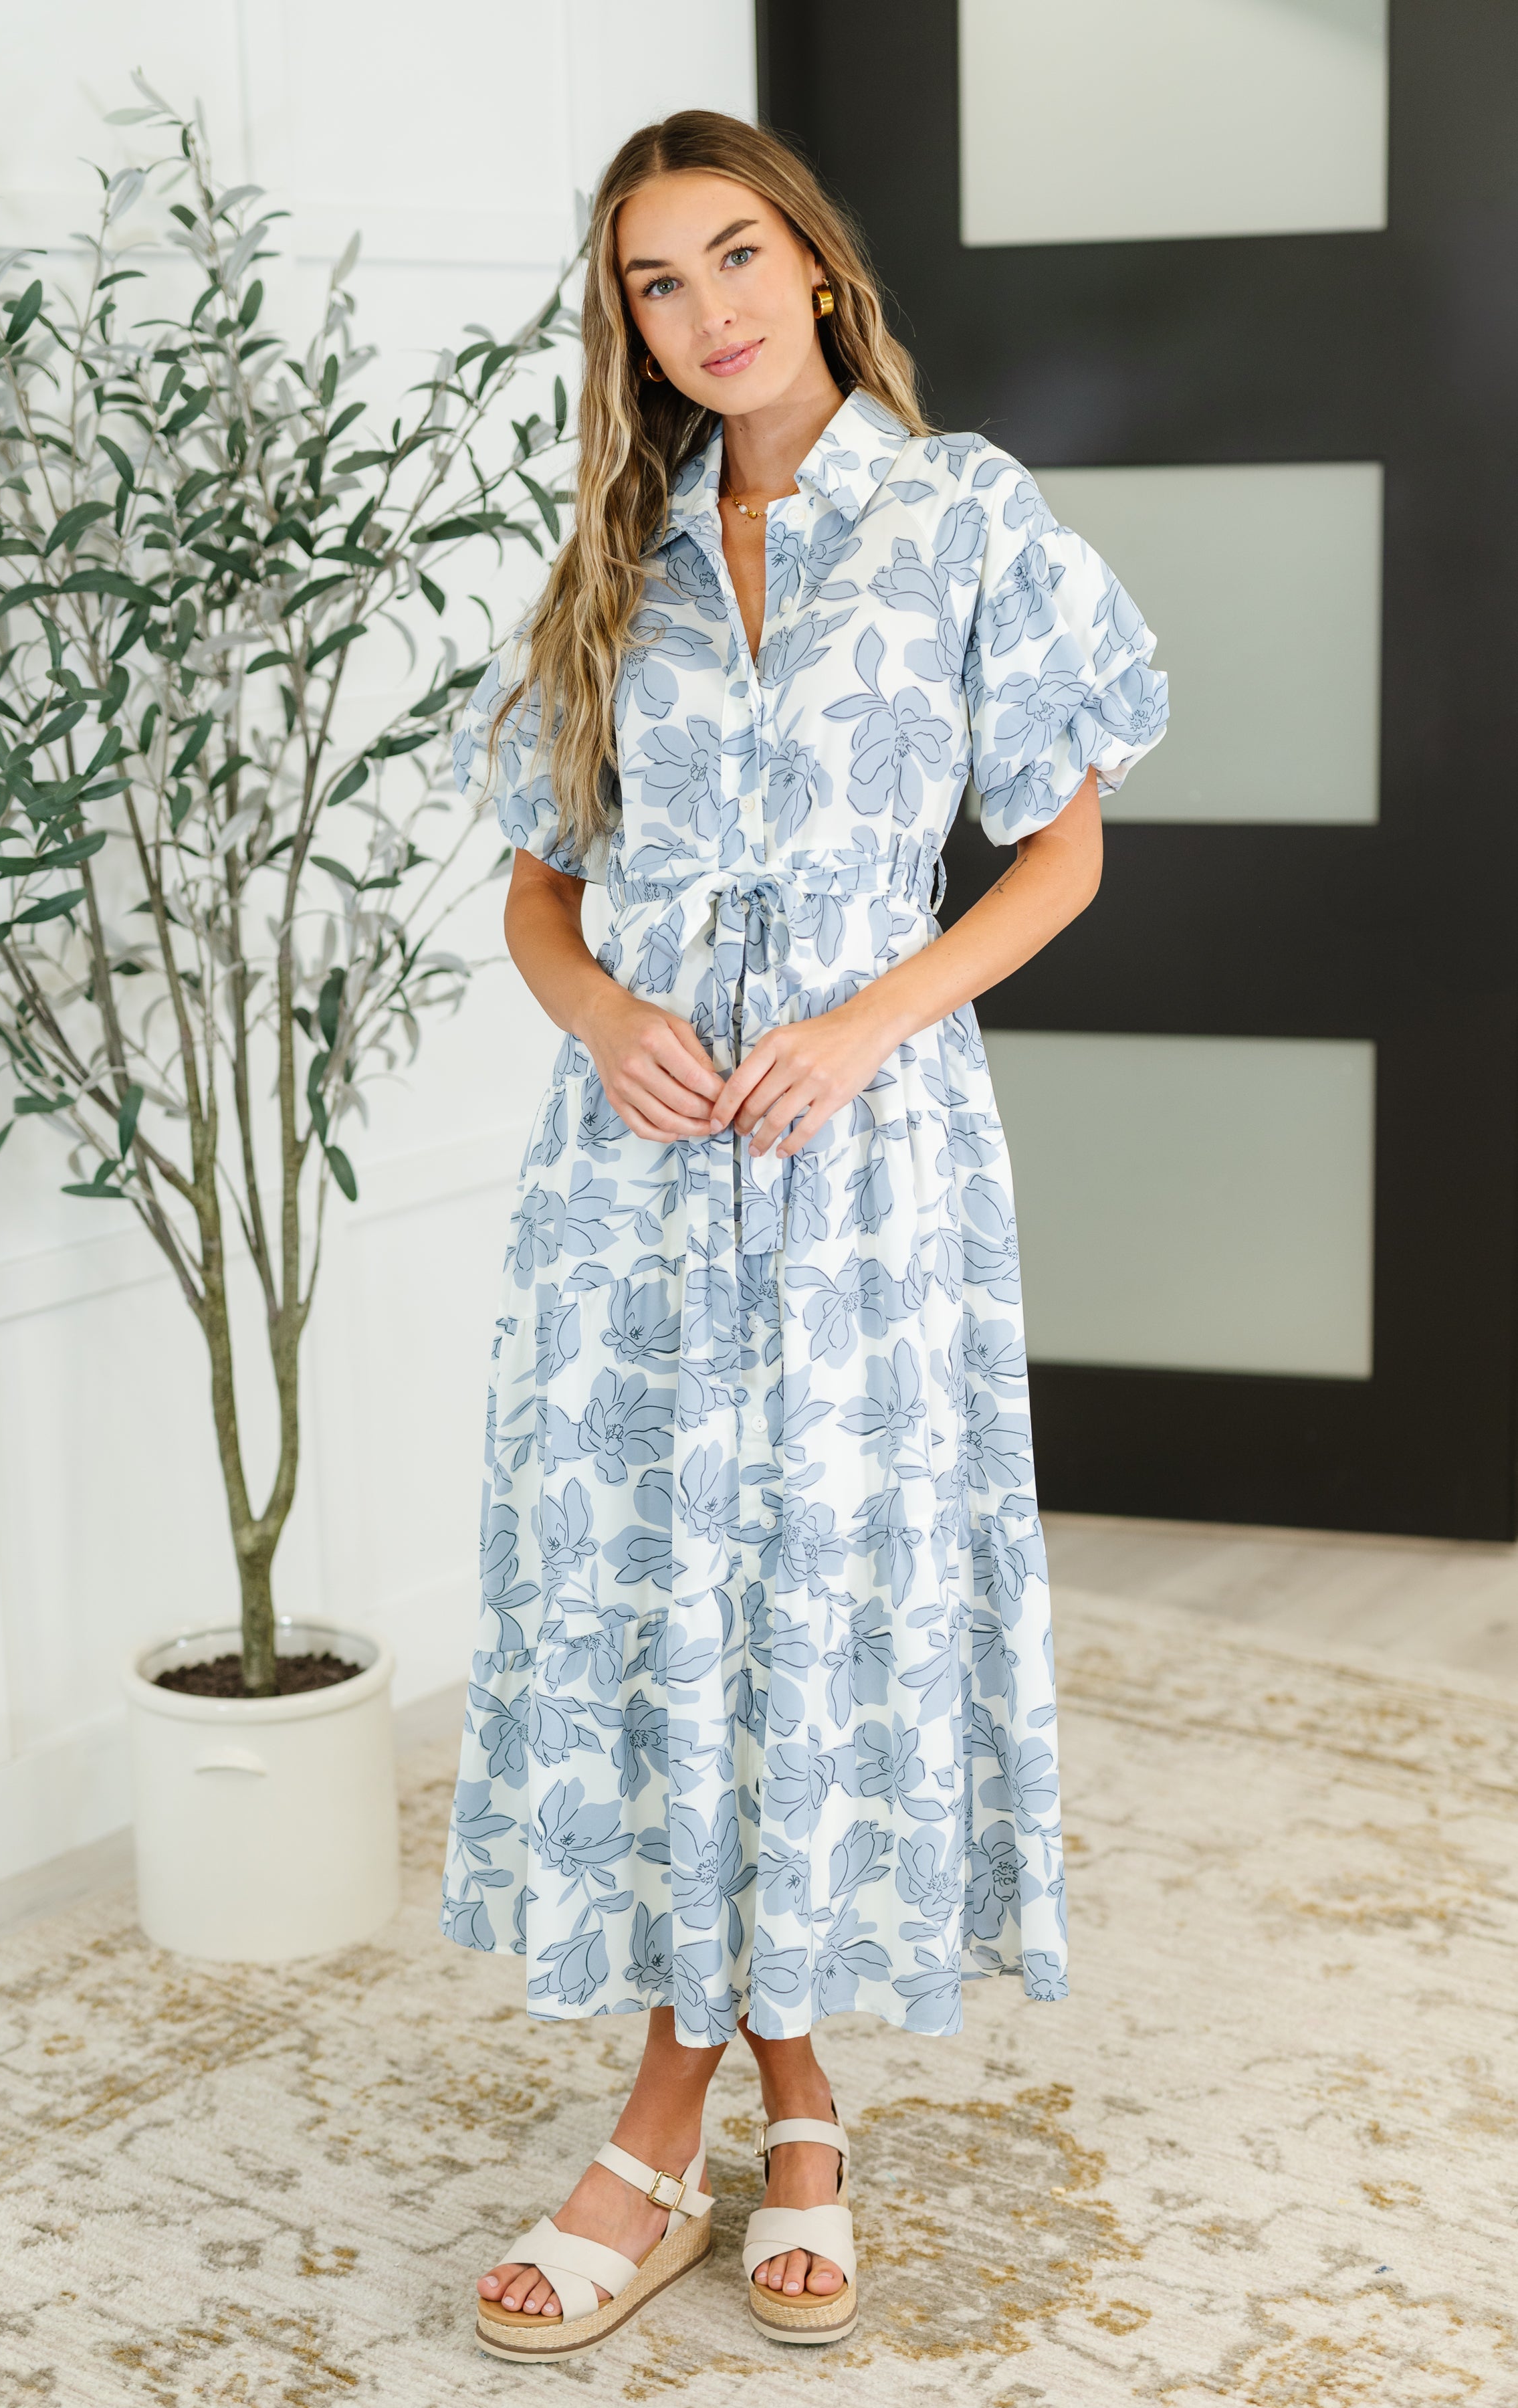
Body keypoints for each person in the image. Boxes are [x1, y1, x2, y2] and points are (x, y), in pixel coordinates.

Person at [441, 108, 1167, 2361]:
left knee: (817, 1611)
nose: (707, 311)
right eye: (656, 284)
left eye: (735, 256)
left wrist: (864, 1019)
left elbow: (1059, 855)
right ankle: (779, 2118)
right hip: (637, 1175)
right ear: (628, 326)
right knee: (664, 1607)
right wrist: (598, 1015)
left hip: (861, 1157)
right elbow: (539, 884)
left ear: (817, 270)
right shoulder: (619, 555)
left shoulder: (958, 519)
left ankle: (671, 2133)